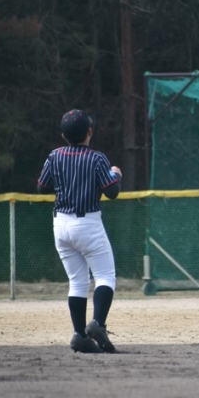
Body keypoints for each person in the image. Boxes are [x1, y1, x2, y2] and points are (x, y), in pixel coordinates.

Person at [37, 109, 122, 353]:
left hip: (61, 224)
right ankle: (97, 324)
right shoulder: (97, 158)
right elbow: (112, 192)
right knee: (105, 276)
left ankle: (79, 335)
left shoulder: (55, 156)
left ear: (63, 136)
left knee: (77, 281)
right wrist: (115, 174)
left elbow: (42, 187)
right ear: (89, 132)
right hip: (88, 223)